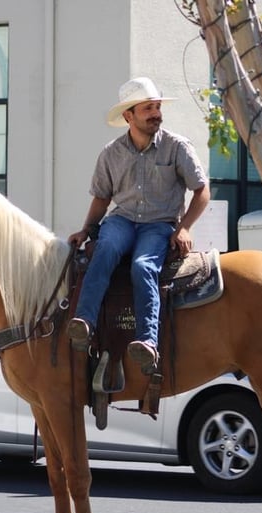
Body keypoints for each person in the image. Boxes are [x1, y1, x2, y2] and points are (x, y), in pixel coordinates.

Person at [67, 77, 210, 374]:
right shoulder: (111, 153)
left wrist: (184, 227)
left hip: (158, 224)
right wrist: (86, 229)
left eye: (157, 107)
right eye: (148, 108)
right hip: (122, 220)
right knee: (105, 249)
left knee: (143, 266)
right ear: (128, 116)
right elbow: (102, 198)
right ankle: (85, 322)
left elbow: (202, 191)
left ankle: (147, 341)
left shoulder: (177, 147)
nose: (156, 113)